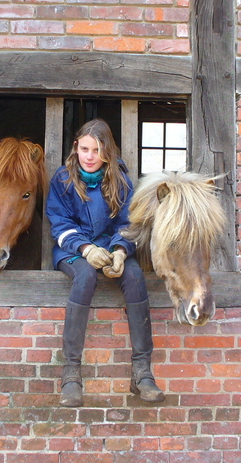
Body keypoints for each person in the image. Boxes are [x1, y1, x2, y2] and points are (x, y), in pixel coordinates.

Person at [45, 118, 165, 407]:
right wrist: (86, 249)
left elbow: (128, 223)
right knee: (85, 277)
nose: (88, 156)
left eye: (96, 150)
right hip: (74, 251)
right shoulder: (62, 180)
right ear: (76, 147)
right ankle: (71, 374)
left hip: (112, 248)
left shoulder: (122, 181)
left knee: (135, 278)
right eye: (84, 149)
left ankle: (142, 372)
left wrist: (121, 250)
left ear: (107, 152)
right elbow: (59, 224)